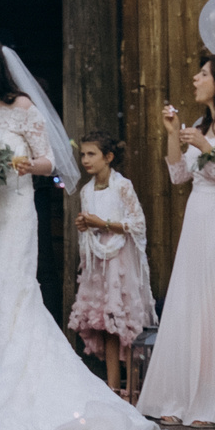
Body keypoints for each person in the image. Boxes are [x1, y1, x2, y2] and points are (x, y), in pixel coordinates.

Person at [0, 38, 164, 430]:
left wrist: (18, 163)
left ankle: (15, 388)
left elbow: (49, 161)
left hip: (16, 212)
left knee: (13, 293)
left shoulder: (24, 107)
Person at [136, 56, 215, 427]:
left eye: (203, 73)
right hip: (198, 216)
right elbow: (177, 175)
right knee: (191, 299)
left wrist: (207, 146)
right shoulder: (200, 124)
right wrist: (174, 134)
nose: (195, 78)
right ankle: (179, 395)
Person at [66, 133, 154, 401]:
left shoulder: (122, 186)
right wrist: (85, 226)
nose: (85, 160)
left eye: (91, 154)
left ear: (108, 157)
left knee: (120, 321)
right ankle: (113, 388)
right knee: (104, 324)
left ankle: (135, 387)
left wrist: (102, 223)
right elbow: (89, 224)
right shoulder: (86, 190)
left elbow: (137, 224)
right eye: (82, 155)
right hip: (98, 262)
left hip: (120, 262)